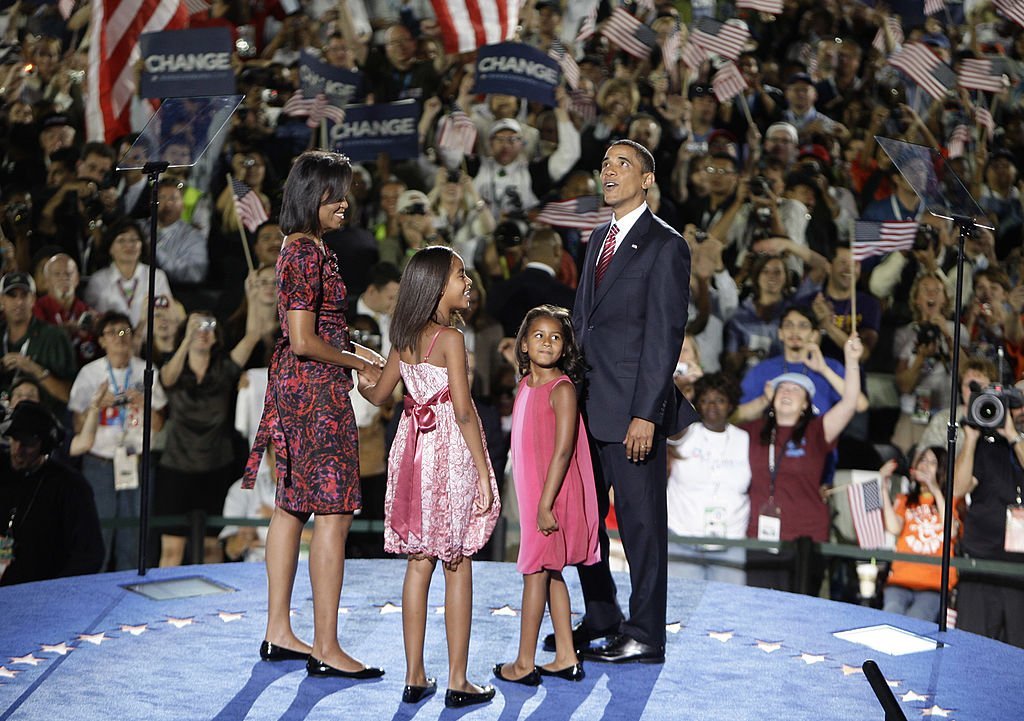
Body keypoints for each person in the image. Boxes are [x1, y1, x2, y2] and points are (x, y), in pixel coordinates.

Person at [241, 151, 386, 677]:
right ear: (310, 196)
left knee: (292, 506)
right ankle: (325, 646)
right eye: (334, 193)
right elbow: (303, 341)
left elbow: (316, 333)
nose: (345, 203)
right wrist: (355, 361)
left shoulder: (303, 248)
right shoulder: (304, 253)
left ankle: (279, 631)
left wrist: (359, 353)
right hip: (314, 394)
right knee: (333, 511)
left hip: (299, 388)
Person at [562, 139, 696, 665]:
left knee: (640, 527)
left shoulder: (666, 245)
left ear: (647, 179)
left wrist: (646, 413)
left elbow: (665, 337)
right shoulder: (597, 238)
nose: (609, 172)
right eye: (605, 164)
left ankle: (645, 634)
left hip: (633, 414)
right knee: (584, 518)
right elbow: (582, 323)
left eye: (623, 165)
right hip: (588, 408)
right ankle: (601, 613)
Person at [358, 245, 500, 708]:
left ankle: (415, 676)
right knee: (457, 562)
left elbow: (379, 395)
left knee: (419, 562)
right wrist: (482, 474)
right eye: (461, 276)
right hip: (449, 453)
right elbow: (461, 411)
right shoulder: (452, 340)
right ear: (438, 285)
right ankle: (458, 680)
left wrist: (362, 368)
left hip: (411, 454)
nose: (468, 283)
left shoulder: (404, 335)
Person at [494, 305, 599, 687]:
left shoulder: (562, 389)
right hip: (533, 494)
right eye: (538, 335)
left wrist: (544, 503)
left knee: (535, 572)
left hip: (551, 496)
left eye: (556, 337)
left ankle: (524, 662)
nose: (547, 343)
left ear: (565, 347)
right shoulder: (525, 384)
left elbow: (563, 450)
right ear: (524, 343)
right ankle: (567, 656)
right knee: (550, 571)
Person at [742, 336, 862, 595]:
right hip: (759, 536)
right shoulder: (752, 430)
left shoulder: (817, 431)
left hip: (805, 538)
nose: (786, 392)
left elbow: (851, 403)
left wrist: (851, 361)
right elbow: (728, 415)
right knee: (756, 609)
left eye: (796, 389)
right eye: (781, 389)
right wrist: (761, 401)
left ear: (807, 403)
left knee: (797, 614)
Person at [67, 311, 167, 571]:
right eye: (112, 333)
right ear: (101, 340)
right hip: (99, 463)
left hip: (137, 462)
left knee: (133, 537)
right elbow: (77, 427)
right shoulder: (90, 374)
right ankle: (94, 594)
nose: (120, 338)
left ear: (133, 337)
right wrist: (97, 406)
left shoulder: (146, 370)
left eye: (125, 332)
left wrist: (144, 403)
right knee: (98, 532)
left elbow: (158, 424)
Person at [952, 379, 1024, 648]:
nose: (1016, 410)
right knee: (971, 650)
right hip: (980, 566)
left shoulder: (1018, 442)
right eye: (1012, 403)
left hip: (1019, 572)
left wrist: (1013, 436)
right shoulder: (984, 446)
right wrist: (970, 440)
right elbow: (958, 488)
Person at [0, 401, 104, 585]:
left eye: (27, 444)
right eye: (14, 440)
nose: (17, 450)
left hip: (43, 591)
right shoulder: (3, 470)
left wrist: (54, 592)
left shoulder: (70, 486)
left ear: (45, 445)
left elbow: (89, 555)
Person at [666, 373, 750, 585]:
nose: (712, 405)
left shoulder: (745, 439)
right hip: (682, 539)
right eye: (705, 400)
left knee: (728, 612)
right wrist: (678, 387)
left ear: (731, 404)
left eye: (720, 400)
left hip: (730, 544)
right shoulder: (685, 432)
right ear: (697, 404)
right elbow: (669, 419)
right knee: (682, 608)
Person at [879, 446, 957, 622]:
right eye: (922, 460)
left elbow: (951, 531)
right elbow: (893, 527)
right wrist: (883, 487)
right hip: (900, 580)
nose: (925, 465)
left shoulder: (950, 501)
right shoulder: (905, 500)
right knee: (890, 616)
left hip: (933, 585)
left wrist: (935, 489)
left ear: (942, 469)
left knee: (917, 620)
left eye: (932, 462)